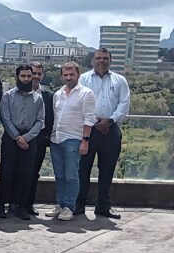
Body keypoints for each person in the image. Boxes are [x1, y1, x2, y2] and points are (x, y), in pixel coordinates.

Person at [76, 48, 130, 219]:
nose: (101, 61)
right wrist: (94, 121)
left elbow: (124, 103)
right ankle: (78, 205)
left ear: (110, 61)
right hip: (87, 130)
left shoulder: (119, 80)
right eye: (98, 58)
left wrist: (110, 120)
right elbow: (79, 102)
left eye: (105, 58)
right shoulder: (83, 79)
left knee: (107, 170)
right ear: (92, 61)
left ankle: (103, 207)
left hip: (111, 130)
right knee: (82, 169)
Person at [46, 62, 96, 221]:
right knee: (59, 176)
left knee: (71, 176)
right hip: (56, 139)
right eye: (65, 75)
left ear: (78, 75)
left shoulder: (86, 94)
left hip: (73, 139)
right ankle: (60, 204)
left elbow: (89, 119)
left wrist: (85, 141)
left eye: (71, 74)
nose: (68, 78)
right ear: (62, 76)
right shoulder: (58, 94)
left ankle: (69, 206)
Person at [0, 64, 45, 221]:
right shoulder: (8, 96)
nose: (26, 79)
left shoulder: (38, 98)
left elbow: (40, 121)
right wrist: (18, 137)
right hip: (11, 139)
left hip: (30, 140)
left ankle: (21, 207)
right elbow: (5, 118)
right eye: (23, 76)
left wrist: (27, 138)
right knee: (7, 173)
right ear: (17, 77)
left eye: (29, 76)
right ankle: (1, 206)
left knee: (26, 174)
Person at [23, 62, 54, 215]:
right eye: (33, 73)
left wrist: (46, 136)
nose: (35, 76)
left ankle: (29, 204)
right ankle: (15, 203)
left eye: (38, 73)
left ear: (42, 75)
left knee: (34, 172)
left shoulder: (48, 95)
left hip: (40, 139)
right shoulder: (19, 92)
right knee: (19, 171)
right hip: (21, 138)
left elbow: (51, 118)